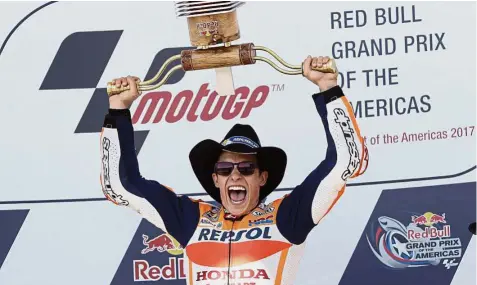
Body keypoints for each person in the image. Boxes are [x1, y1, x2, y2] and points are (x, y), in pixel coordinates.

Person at [100, 56, 369, 285]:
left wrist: (328, 88)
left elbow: (345, 162)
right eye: (225, 168)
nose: (236, 175)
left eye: (247, 168)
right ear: (215, 178)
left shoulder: (287, 217)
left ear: (262, 177)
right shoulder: (191, 219)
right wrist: (118, 109)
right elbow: (120, 185)